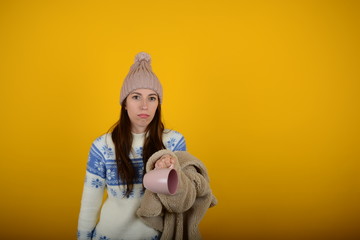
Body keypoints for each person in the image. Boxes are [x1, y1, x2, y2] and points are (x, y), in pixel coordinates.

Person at [77, 52, 187, 240]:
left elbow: (182, 200)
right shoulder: (102, 146)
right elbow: (90, 203)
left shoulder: (174, 142)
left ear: (158, 104)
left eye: (152, 98)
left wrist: (171, 171)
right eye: (136, 97)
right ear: (125, 104)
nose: (144, 106)